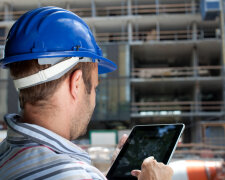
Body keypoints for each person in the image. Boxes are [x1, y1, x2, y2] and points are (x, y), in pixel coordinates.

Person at [0, 6, 173, 180]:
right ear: (76, 84)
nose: (94, 99)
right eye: (94, 88)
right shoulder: (72, 174)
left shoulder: (5, 153)